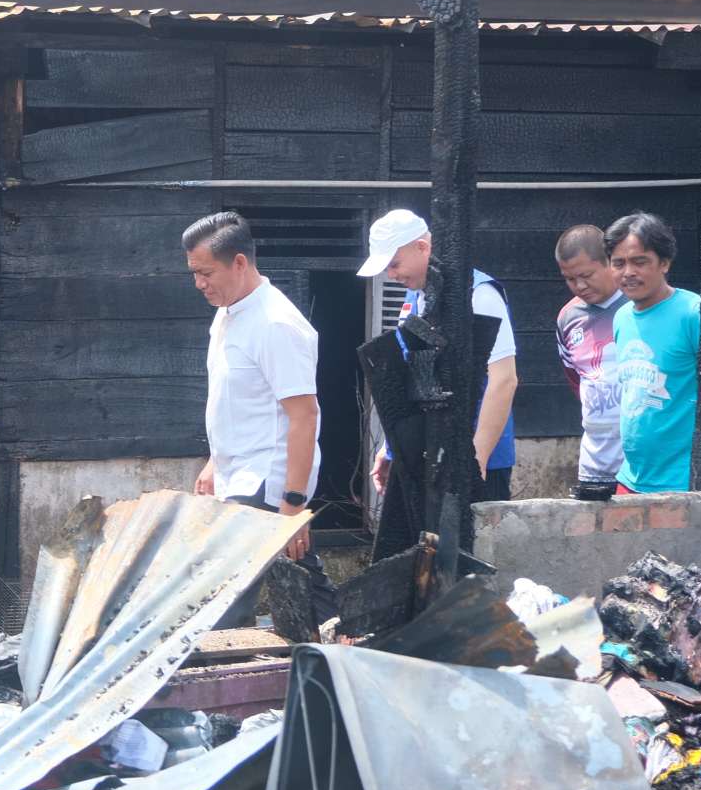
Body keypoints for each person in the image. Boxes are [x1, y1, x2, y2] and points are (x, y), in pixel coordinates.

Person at [182, 212, 335, 625]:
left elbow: (304, 416)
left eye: (205, 272)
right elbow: (234, 399)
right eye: (194, 273)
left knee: (223, 602)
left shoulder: (276, 324)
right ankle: (344, 642)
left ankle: (219, 677)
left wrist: (294, 505)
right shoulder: (229, 313)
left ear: (239, 263)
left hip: (265, 480)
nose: (199, 283)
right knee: (299, 582)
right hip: (237, 475)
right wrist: (216, 462)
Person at [359, 208, 519, 502]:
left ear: (422, 247)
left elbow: (504, 380)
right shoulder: (414, 298)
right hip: (428, 450)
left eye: (394, 265)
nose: (391, 275)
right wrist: (391, 447)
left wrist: (476, 460)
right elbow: (412, 376)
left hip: (478, 453)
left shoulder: (480, 294)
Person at [605, 212, 701, 493]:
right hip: (633, 478)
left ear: (664, 263)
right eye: (618, 263)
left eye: (640, 261)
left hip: (692, 483)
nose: (628, 272)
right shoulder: (622, 317)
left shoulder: (698, 316)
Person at [554, 223, 629, 500]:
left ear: (610, 262)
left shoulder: (638, 305)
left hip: (644, 464)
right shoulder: (568, 317)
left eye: (586, 275)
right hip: (595, 463)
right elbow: (576, 379)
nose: (580, 286)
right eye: (570, 279)